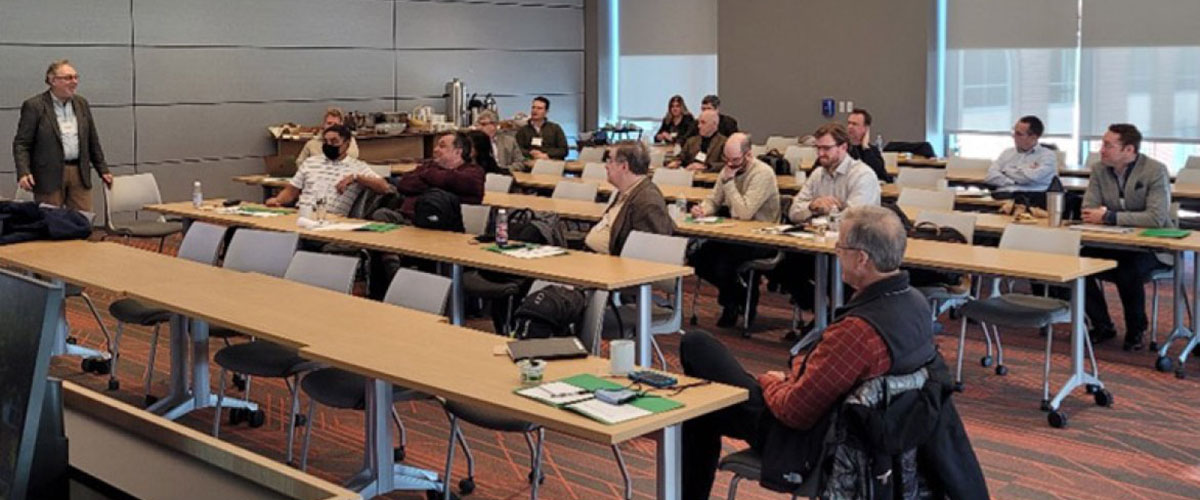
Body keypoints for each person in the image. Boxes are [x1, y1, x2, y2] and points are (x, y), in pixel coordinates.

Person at [678, 205, 985, 499]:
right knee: (704, 400)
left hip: (814, 441)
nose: (836, 255)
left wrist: (771, 381)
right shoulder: (915, 303)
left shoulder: (858, 332)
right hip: (871, 431)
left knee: (698, 352)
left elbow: (795, 412)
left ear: (862, 258)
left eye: (840, 249)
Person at [1079, 123, 1171, 351]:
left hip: (1152, 248)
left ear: (1129, 150)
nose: (1101, 149)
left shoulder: (1155, 170)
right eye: (1102, 144)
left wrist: (1109, 217)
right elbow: (1089, 209)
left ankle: (1136, 328)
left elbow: (1156, 218)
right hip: (1113, 243)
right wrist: (1106, 217)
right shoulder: (1099, 169)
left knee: (1126, 267)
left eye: (1108, 145)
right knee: (1076, 260)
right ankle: (1102, 324)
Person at [776, 122, 882, 313]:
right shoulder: (818, 175)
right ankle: (822, 315)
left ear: (843, 147)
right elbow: (794, 212)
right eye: (818, 148)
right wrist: (813, 205)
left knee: (839, 275)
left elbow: (852, 221)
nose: (820, 154)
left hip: (857, 250)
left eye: (826, 148)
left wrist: (822, 214)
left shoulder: (863, 176)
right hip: (822, 246)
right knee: (784, 268)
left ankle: (835, 319)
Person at [688, 133, 780, 327]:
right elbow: (714, 199)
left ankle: (733, 301)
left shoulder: (762, 173)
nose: (730, 165)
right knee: (698, 257)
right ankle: (739, 294)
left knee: (724, 264)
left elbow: (745, 212)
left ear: (748, 155)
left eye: (735, 160)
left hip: (761, 238)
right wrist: (703, 209)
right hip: (734, 234)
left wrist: (729, 183)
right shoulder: (727, 170)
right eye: (726, 160)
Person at [13, 59, 113, 211]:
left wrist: (103, 169)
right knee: (52, 223)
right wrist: (23, 172)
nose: (74, 82)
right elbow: (22, 143)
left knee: (83, 221)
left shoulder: (81, 104)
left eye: (75, 77)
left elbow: (92, 139)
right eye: (68, 78)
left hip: (79, 172)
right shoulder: (35, 106)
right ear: (52, 80)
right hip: (48, 175)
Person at [266, 125, 390, 217]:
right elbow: (291, 191)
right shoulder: (311, 162)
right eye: (326, 142)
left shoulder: (357, 167)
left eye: (334, 141)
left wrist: (356, 177)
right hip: (302, 214)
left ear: (346, 144)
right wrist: (278, 201)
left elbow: (384, 187)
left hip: (331, 219)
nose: (329, 145)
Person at [584, 142, 674, 255]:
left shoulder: (647, 202)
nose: (606, 166)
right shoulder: (626, 190)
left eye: (610, 160)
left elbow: (647, 254)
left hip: (613, 266)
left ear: (624, 166)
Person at [393, 131, 485, 220]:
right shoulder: (430, 166)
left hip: (440, 224)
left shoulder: (474, 172)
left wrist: (426, 176)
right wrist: (436, 184)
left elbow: (454, 181)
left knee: (382, 216)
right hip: (406, 218)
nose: (435, 149)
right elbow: (403, 184)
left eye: (442, 146)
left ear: (458, 152)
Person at [984, 115, 1058, 192]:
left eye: (1019, 134)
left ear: (1033, 137)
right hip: (1003, 195)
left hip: (1032, 198)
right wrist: (1013, 181)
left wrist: (1005, 171)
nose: (1013, 136)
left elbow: (1030, 178)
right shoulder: (1007, 153)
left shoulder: (1047, 156)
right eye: (1014, 132)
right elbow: (990, 176)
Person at [294, 107, 360, 165]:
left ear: (341, 125)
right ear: (324, 124)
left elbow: (353, 158)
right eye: (329, 123)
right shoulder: (311, 144)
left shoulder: (349, 142)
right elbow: (299, 162)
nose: (332, 126)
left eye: (335, 124)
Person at [845, 108, 890, 182]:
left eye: (854, 124)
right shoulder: (842, 149)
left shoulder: (872, 150)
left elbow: (880, 175)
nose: (850, 127)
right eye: (849, 123)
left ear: (865, 128)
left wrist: (865, 147)